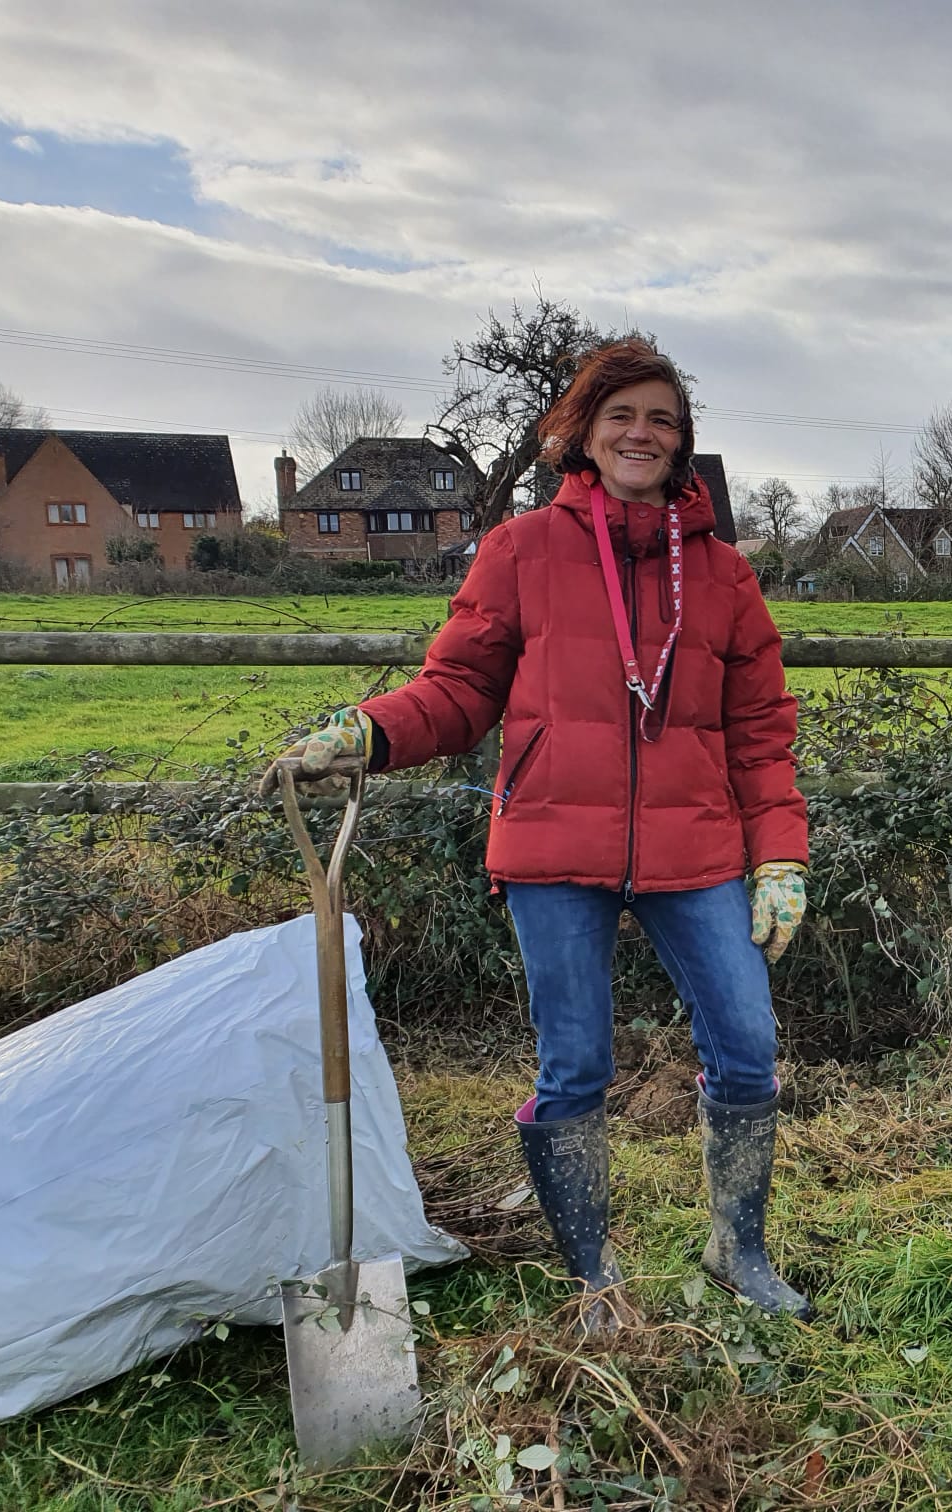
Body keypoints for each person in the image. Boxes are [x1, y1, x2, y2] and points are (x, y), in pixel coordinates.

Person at [263, 339, 813, 1329]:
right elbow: (462, 688)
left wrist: (779, 851)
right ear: (584, 434)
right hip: (556, 848)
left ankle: (740, 1246)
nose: (642, 433)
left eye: (662, 419)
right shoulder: (521, 552)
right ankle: (595, 1273)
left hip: (697, 848)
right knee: (576, 1064)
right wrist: (372, 728)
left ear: (683, 443)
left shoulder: (725, 576)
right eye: (622, 416)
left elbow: (760, 730)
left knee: (747, 1040)